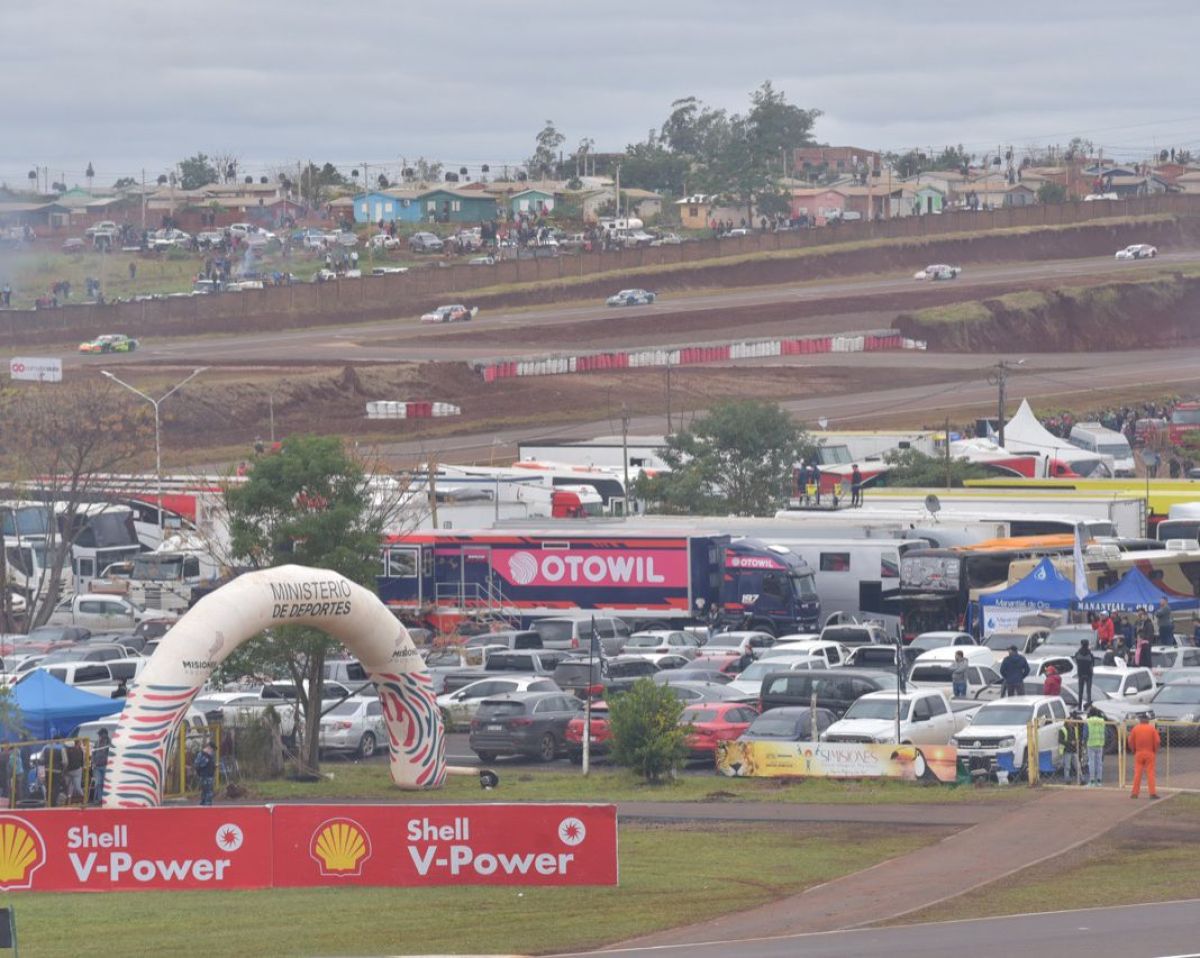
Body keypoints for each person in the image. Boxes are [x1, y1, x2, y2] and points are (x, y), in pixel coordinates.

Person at [1127, 713, 1161, 799]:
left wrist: (1133, 749)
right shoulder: (1152, 729)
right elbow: (1157, 741)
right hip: (1150, 753)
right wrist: (1155, 750)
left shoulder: (1135, 728)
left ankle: (1134, 793)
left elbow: (1130, 741)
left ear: (1140, 720)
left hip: (1139, 753)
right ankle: (1152, 793)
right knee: (1150, 773)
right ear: (1148, 720)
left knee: (1137, 773)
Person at [1060, 712, 1085, 784]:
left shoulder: (1075, 729)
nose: (1072, 722)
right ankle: (1067, 780)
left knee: (1078, 766)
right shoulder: (1063, 730)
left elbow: (1077, 738)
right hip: (1067, 750)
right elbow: (1060, 741)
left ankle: (1081, 779)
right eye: (1071, 721)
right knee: (1067, 766)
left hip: (1074, 750)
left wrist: (1077, 743)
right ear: (1067, 722)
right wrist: (1070, 742)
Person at [1085, 707, 1107, 786]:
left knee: (1091, 762)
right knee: (1099, 763)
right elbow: (1105, 732)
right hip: (1100, 743)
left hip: (1091, 743)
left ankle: (1091, 781)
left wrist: (1084, 741)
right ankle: (1099, 781)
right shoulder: (1102, 721)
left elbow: (1085, 733)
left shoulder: (1088, 721)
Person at [194, 741, 216, 806]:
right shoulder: (202, 755)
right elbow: (198, 765)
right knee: (207, 793)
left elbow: (209, 765)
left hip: (209, 776)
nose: (212, 751)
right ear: (209, 748)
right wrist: (205, 761)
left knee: (206, 793)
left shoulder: (209, 756)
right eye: (212, 749)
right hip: (205, 776)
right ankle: (206, 808)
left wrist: (214, 766)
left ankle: (204, 807)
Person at [91, 728, 110, 804]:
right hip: (97, 766)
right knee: (98, 783)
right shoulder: (97, 743)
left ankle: (103, 799)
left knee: (104, 783)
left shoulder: (109, 743)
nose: (99, 736)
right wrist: (93, 762)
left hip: (106, 766)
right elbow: (93, 753)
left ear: (104, 734)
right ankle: (99, 799)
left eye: (100, 734)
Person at [1074, 639, 1095, 705]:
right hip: (1088, 674)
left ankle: (1079, 705)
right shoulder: (1090, 655)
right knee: (1088, 691)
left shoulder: (1077, 654)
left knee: (1080, 691)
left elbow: (1076, 662)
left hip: (1080, 674)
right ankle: (1088, 704)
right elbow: (1092, 664)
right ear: (1088, 645)